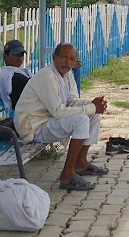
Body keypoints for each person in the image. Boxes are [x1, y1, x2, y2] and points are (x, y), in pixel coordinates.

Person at [14, 42, 108, 191]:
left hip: (47, 120)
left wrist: (93, 104)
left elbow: (71, 101)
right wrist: (90, 107)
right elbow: (58, 111)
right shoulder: (47, 76)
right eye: (64, 57)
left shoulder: (67, 73)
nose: (67, 62)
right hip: (33, 126)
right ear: (54, 57)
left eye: (71, 59)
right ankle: (67, 175)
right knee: (82, 119)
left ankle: (80, 163)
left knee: (92, 115)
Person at [0, 39, 31, 116]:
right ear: (6, 56)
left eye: (21, 54)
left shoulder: (21, 72)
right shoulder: (12, 77)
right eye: (15, 55)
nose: (19, 58)